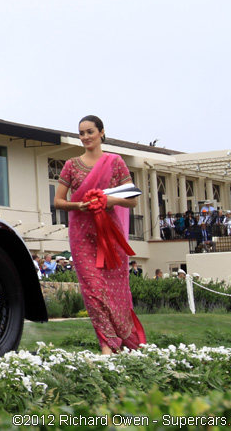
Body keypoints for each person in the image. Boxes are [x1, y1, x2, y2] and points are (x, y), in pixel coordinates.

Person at [53, 115, 145, 354]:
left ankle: (125, 343)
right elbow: (58, 201)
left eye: (90, 132)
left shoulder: (115, 163)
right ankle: (107, 345)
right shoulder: (71, 165)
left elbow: (133, 200)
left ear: (102, 133)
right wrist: (78, 206)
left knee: (115, 292)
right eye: (81, 133)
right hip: (82, 236)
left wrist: (107, 200)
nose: (85, 137)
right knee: (93, 291)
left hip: (110, 235)